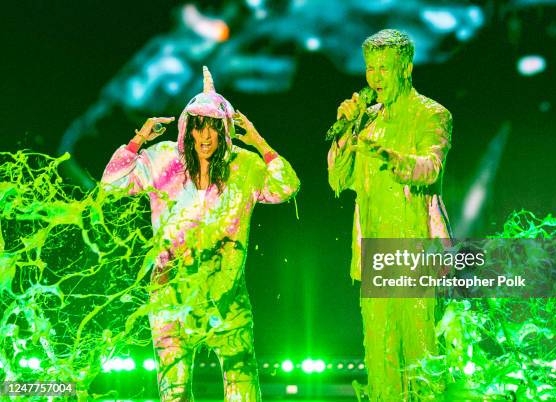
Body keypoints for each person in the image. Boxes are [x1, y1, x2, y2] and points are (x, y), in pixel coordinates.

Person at [101, 67, 300, 401]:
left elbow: (287, 186)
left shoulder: (245, 166)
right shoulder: (164, 160)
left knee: (244, 393)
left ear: (225, 130)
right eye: (198, 128)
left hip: (227, 300)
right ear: (187, 130)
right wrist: (138, 141)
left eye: (213, 128)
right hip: (170, 298)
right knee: (174, 394)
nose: (206, 137)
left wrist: (259, 142)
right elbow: (111, 184)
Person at [327, 29, 452, 401]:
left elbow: (431, 167)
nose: (375, 78)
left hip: (417, 252)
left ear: (407, 68)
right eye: (370, 68)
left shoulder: (432, 114)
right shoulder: (365, 120)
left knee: (422, 355)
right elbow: (338, 177)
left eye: (384, 68)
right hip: (375, 255)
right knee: (380, 357)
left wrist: (390, 157)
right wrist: (345, 131)